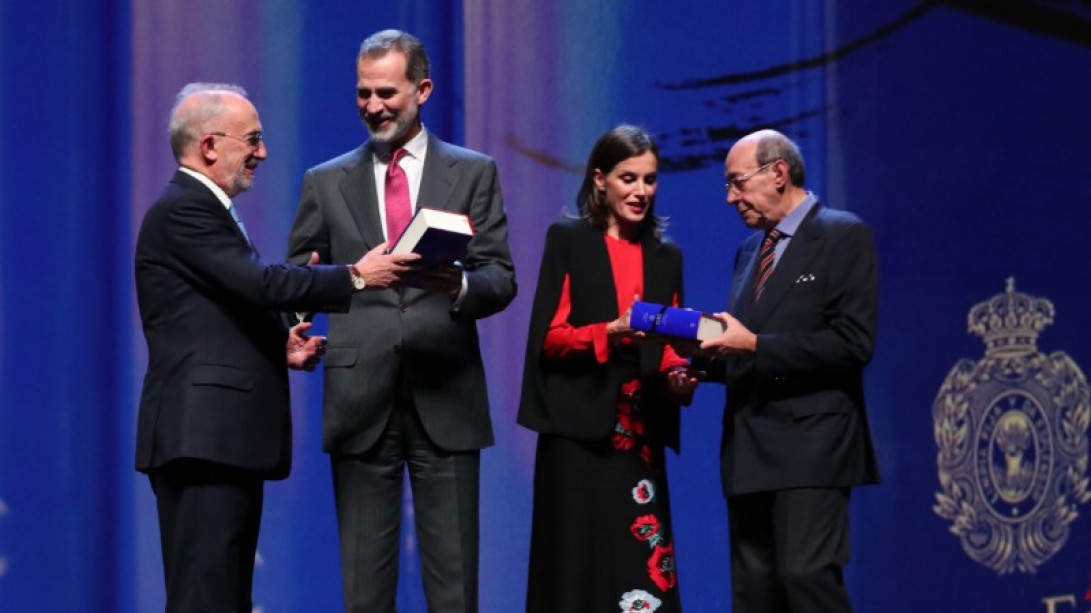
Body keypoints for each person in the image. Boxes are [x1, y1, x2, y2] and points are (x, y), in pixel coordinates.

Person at [286, 30, 516, 613]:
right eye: (363, 94)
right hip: (360, 395)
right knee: (364, 590)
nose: (373, 106)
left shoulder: (472, 172)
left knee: (455, 587)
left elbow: (501, 278)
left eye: (386, 92)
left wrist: (459, 284)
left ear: (423, 89)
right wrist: (301, 314)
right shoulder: (324, 179)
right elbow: (298, 276)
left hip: (448, 392)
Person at [135, 82, 373, 612]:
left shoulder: (204, 213)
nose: (263, 152)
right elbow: (261, 283)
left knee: (225, 596)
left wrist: (278, 342)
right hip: (203, 441)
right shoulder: (184, 209)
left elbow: (217, 311)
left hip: (220, 440)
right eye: (254, 139)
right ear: (210, 145)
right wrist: (357, 276)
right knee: (205, 596)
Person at [695, 129, 879, 613]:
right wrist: (699, 367)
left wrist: (751, 343)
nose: (731, 197)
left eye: (737, 182)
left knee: (806, 578)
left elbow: (852, 344)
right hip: (749, 444)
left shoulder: (843, 235)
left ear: (778, 173)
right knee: (754, 594)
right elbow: (750, 342)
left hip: (812, 443)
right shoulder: (748, 251)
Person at [517, 125, 698, 613]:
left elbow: (670, 345)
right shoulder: (570, 241)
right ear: (600, 179)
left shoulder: (666, 256)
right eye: (628, 178)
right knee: (576, 566)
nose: (641, 191)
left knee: (638, 564)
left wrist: (680, 376)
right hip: (577, 434)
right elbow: (550, 339)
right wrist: (611, 331)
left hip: (638, 435)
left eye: (650, 180)